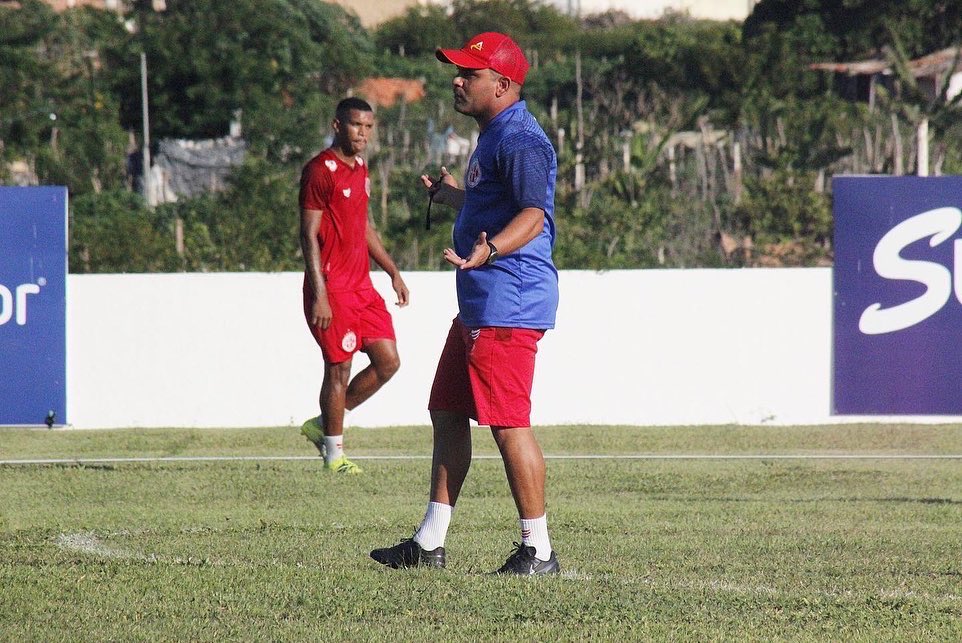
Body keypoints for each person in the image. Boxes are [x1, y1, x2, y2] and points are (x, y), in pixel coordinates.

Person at [370, 32, 560, 574]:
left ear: (502, 85)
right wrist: (455, 196)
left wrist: (491, 248)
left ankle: (538, 550)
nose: (457, 79)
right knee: (448, 410)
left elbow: (534, 216)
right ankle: (429, 544)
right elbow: (497, 201)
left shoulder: (521, 139)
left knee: (508, 424)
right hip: (482, 302)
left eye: (469, 73)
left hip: (508, 301)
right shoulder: (495, 135)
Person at [298, 97, 409, 474]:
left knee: (388, 361)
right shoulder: (319, 170)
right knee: (338, 369)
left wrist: (392, 270)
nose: (363, 133)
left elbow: (362, 226)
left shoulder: (361, 168)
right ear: (336, 126)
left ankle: (325, 423)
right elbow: (308, 235)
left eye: (368, 127)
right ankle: (334, 457)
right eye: (356, 125)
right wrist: (322, 295)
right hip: (332, 288)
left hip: (361, 287)